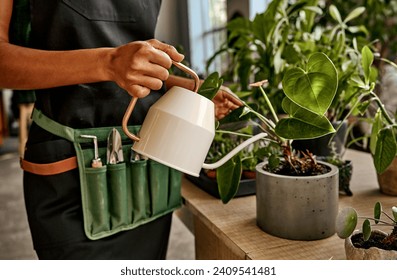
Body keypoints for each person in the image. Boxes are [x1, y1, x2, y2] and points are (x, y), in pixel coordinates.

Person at [0, 0, 241, 259]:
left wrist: (188, 89)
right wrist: (109, 62)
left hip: (146, 168)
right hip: (70, 177)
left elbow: (136, 64)